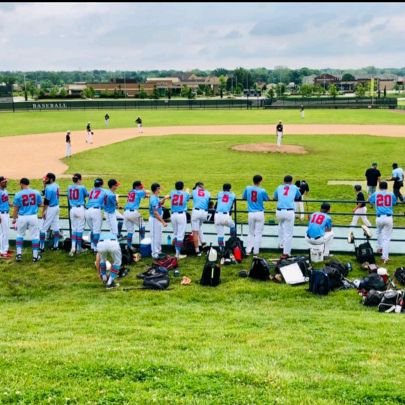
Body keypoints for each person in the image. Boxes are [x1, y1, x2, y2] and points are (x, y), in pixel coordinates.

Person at [12, 178, 43, 262]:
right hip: (33, 216)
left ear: (22, 184)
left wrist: (14, 219)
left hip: (22, 217)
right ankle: (35, 257)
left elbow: (16, 208)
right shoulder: (36, 193)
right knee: (35, 236)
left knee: (20, 235)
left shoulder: (18, 194)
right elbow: (40, 204)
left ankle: (19, 255)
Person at [368, 181, 397, 264]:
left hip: (379, 217)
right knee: (386, 238)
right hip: (388, 217)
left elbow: (370, 200)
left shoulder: (376, 193)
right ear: (387, 187)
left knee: (379, 233)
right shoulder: (391, 194)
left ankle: (379, 248)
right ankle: (385, 256)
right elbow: (394, 203)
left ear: (379, 187)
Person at [273, 175, 301, 259]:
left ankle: (281, 244)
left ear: (283, 180)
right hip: (289, 211)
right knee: (288, 233)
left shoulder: (279, 187)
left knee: (281, 226)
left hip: (279, 211)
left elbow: (275, 197)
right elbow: (298, 197)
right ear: (291, 181)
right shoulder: (294, 187)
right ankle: (286, 253)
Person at [242, 174, 270, 256]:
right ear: (260, 181)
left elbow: (244, 197)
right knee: (258, 233)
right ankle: (256, 251)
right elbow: (267, 199)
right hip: (259, 213)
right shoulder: (262, 190)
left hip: (251, 213)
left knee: (250, 232)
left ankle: (248, 250)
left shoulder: (248, 188)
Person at [67, 173, 88, 256]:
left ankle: (73, 248)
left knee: (74, 229)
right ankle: (79, 248)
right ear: (79, 179)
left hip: (72, 209)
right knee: (79, 229)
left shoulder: (69, 187)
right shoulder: (82, 187)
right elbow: (86, 195)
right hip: (80, 209)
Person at [123, 180, 148, 249]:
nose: (141, 187)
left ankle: (129, 246)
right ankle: (143, 243)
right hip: (133, 212)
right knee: (142, 226)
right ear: (137, 186)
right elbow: (146, 192)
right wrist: (143, 188)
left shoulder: (130, 191)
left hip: (125, 213)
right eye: (140, 185)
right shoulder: (139, 191)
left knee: (130, 231)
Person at [39, 173, 61, 252]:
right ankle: (56, 246)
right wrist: (44, 185)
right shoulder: (57, 185)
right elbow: (46, 193)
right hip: (57, 207)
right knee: (56, 227)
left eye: (47, 179)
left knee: (43, 228)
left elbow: (46, 201)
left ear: (51, 179)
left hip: (50, 208)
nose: (45, 180)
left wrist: (44, 211)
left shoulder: (49, 188)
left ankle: (41, 248)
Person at [170, 181, 190, 259]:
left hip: (173, 214)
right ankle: (177, 254)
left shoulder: (172, 192)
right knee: (180, 235)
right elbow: (187, 197)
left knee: (175, 234)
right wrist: (187, 191)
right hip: (181, 215)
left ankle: (176, 252)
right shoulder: (185, 193)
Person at [85, 178, 106, 252]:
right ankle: (96, 249)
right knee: (96, 231)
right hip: (96, 211)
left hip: (87, 211)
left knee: (92, 230)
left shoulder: (91, 190)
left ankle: (92, 246)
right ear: (101, 184)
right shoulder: (103, 191)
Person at [149, 183, 169, 259]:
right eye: (159, 188)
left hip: (157, 219)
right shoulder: (153, 199)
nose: (160, 189)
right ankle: (154, 253)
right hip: (155, 219)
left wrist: (164, 199)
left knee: (158, 236)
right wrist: (163, 222)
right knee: (154, 236)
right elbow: (155, 212)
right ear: (157, 189)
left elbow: (159, 204)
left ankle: (158, 251)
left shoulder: (155, 197)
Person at [191, 181, 211, 256]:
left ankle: (197, 251)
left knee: (195, 232)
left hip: (196, 212)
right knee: (199, 227)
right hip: (204, 213)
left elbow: (191, 195)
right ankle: (203, 243)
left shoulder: (194, 191)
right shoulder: (208, 192)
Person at [215, 183, 236, 251]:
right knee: (233, 226)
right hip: (225, 216)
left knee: (220, 235)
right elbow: (233, 197)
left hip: (217, 215)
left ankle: (221, 250)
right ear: (230, 188)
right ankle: (232, 241)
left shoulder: (219, 193)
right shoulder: (232, 195)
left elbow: (219, 196)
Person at [0, 176, 11, 259]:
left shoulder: (5, 190)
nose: (6, 183)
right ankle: (2, 251)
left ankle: (6, 249)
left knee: (6, 232)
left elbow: (7, 201)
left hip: (6, 213)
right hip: (1, 214)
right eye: (4, 182)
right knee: (3, 233)